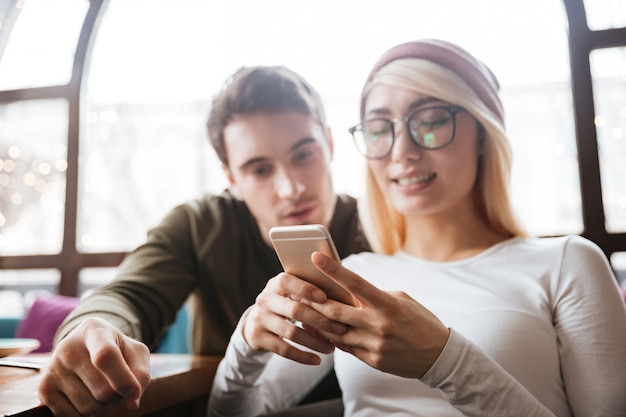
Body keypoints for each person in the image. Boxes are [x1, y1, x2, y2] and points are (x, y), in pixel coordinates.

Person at [208, 39, 626, 416]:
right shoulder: (351, 275)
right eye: (379, 128)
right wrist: (246, 343)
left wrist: (442, 361)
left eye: (429, 121)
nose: (402, 152)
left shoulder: (566, 263)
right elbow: (237, 411)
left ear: (482, 133)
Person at [37, 65, 370, 417]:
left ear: (330, 144)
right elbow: (128, 296)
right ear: (231, 178)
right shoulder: (200, 224)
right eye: (259, 170)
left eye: (303, 155)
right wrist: (92, 330)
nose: (291, 189)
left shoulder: (379, 226)